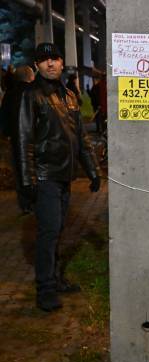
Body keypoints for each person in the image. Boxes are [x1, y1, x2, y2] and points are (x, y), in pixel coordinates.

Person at [17, 43, 101, 312]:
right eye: (44, 60)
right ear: (37, 66)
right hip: (44, 177)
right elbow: (23, 140)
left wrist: (93, 170)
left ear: (62, 63)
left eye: (54, 58)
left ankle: (54, 278)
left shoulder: (69, 95)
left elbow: (81, 138)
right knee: (49, 232)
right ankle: (45, 289)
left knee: (57, 231)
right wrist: (28, 180)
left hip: (64, 175)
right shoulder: (31, 95)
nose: (50, 64)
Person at [0, 65, 35, 213]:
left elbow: (3, 119)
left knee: (20, 172)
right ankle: (36, 201)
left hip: (15, 141)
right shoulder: (35, 93)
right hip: (33, 140)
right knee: (34, 171)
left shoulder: (9, 94)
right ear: (30, 77)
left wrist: (8, 134)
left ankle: (25, 203)